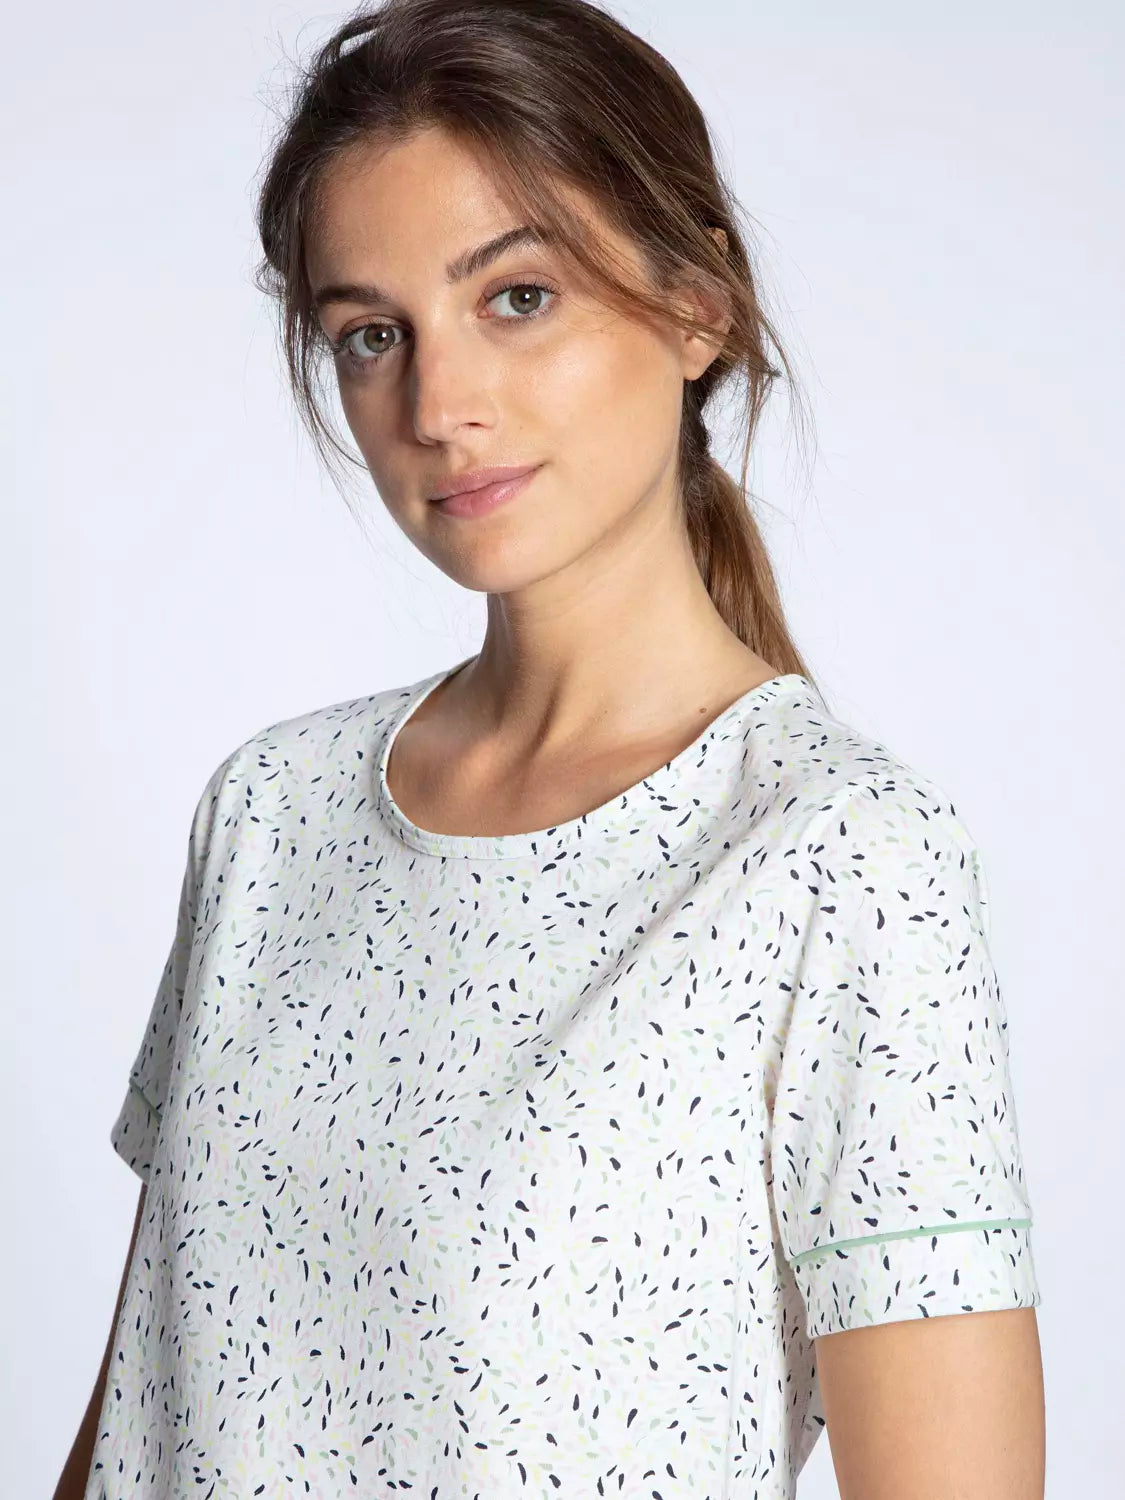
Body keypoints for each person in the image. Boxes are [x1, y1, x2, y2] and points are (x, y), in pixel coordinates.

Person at [56, 2, 1045, 1496]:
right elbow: (148, 1397)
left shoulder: (844, 861)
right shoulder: (269, 811)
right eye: (372, 335)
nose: (438, 406)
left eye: (517, 298)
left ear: (697, 305)